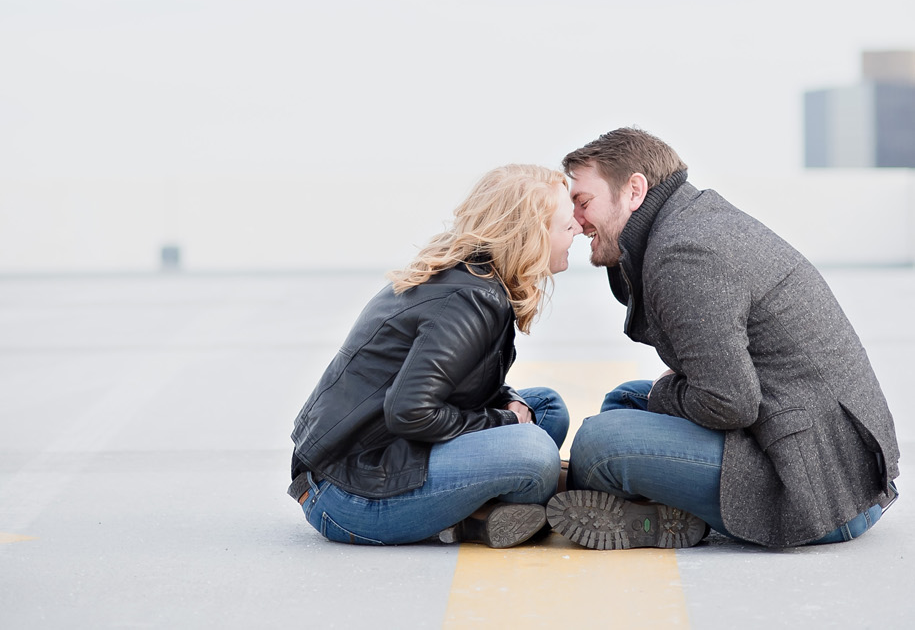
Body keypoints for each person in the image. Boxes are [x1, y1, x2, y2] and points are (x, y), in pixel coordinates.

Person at [546, 128, 900, 551]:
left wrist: (666, 391)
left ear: (634, 190)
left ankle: (606, 503)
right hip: (826, 458)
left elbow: (728, 401)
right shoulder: (691, 219)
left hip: (818, 494)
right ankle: (648, 509)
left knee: (598, 444)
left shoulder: (684, 253)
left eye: (583, 202)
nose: (576, 220)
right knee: (625, 400)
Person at [289, 163, 581, 547]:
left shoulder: (476, 280)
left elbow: (454, 384)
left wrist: (506, 403)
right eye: (566, 224)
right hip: (347, 493)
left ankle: (495, 506)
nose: (577, 227)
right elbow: (410, 411)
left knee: (546, 408)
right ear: (530, 236)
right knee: (535, 452)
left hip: (381, 456)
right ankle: (478, 516)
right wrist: (501, 420)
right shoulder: (469, 299)